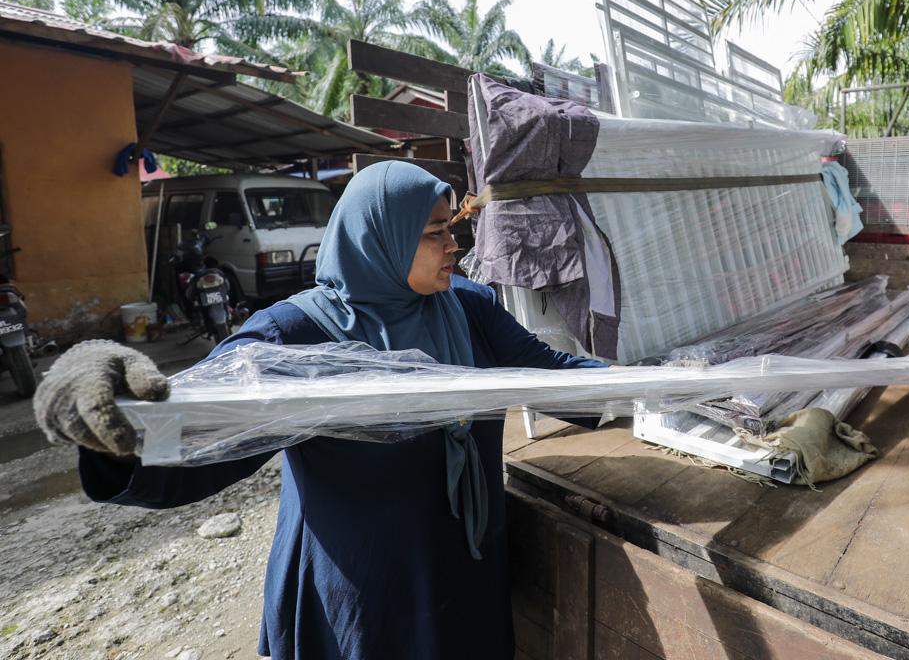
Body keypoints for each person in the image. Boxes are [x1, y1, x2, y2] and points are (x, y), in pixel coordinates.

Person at [33, 161, 607, 660]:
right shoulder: (297, 334)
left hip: (462, 568)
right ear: (379, 238)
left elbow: (554, 376)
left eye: (453, 229)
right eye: (436, 233)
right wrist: (113, 422)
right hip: (360, 588)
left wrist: (669, 385)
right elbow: (198, 440)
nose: (456, 246)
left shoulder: (470, 309)